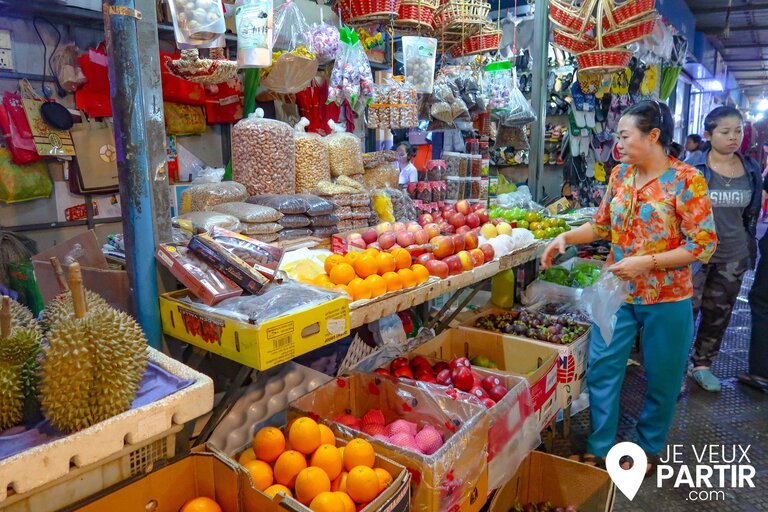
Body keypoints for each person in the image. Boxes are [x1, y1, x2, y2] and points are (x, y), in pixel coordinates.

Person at [541, 100, 717, 474]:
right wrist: (566, 238)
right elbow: (602, 227)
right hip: (617, 292)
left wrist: (647, 262)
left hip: (668, 297)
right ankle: (600, 444)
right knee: (604, 368)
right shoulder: (620, 175)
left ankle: (649, 446)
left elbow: (702, 243)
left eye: (624, 135)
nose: (617, 143)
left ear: (653, 136)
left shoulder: (687, 179)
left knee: (663, 376)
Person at [686, 106, 764, 392]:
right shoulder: (693, 167)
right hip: (693, 256)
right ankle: (675, 368)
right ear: (709, 134)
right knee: (684, 313)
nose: (734, 137)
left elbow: (751, 214)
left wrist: (746, 247)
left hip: (732, 255)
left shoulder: (751, 169)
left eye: (738, 131)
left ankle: (702, 364)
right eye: (725, 131)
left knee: (718, 313)